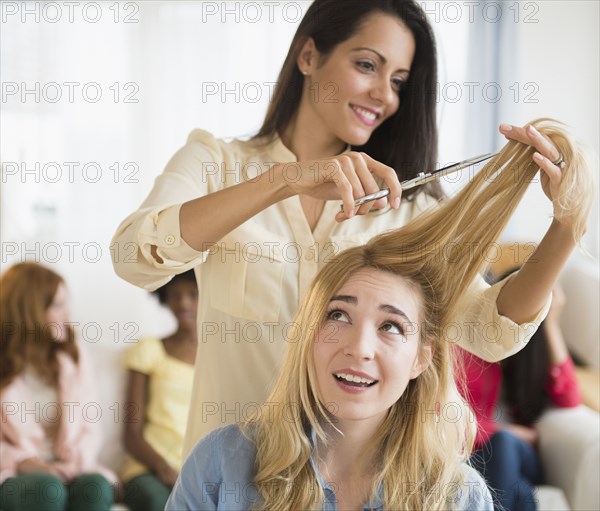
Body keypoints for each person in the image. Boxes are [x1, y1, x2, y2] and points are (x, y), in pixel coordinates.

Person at [111, 0, 590, 452]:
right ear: (308, 56)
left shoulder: (410, 207)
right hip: (229, 486)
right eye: (367, 65)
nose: (384, 94)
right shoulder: (215, 162)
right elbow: (135, 257)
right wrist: (281, 182)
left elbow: (488, 328)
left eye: (399, 81)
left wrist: (566, 227)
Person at [166, 119, 593, 510]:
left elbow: (493, 327)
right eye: (337, 316)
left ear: (422, 357)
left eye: (391, 326)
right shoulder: (221, 467)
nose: (359, 347)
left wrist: (567, 226)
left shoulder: (457, 497)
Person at [458, 273, 581, 511]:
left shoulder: (534, 357)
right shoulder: (468, 348)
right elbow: (447, 415)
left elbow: (569, 398)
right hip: (478, 452)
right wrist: (504, 430)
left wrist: (551, 323)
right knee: (520, 492)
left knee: (504, 443)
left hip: (518, 453)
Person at [0, 263, 117, 511]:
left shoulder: (74, 356)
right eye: (58, 305)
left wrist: (74, 462)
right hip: (13, 473)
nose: (67, 314)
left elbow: (91, 427)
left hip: (67, 467)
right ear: (30, 311)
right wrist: (26, 462)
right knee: (47, 489)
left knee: (95, 486)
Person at [120, 269, 198, 511]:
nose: (183, 301)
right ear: (165, 299)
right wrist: (163, 468)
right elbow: (130, 434)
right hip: (148, 471)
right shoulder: (149, 350)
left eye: (192, 294)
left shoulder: (220, 359)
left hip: (195, 470)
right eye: (175, 295)